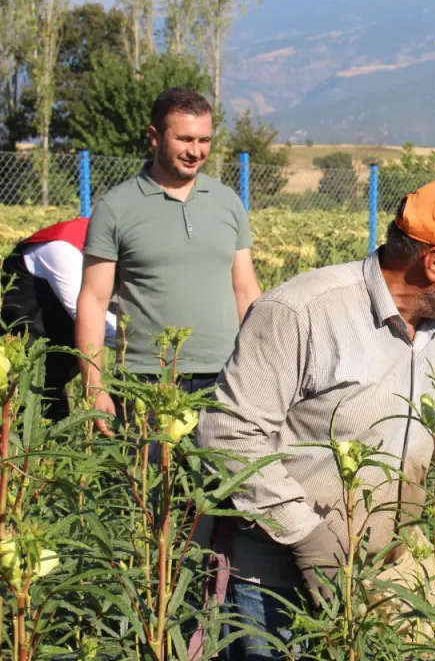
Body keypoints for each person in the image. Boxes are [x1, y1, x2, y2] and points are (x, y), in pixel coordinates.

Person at [194, 176, 435, 661]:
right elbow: (227, 433)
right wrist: (306, 533)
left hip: (384, 571)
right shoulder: (303, 311)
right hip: (274, 581)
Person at [76, 87, 262, 436]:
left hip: (225, 378)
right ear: (154, 136)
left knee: (220, 488)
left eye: (204, 140)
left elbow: (245, 288)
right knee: (151, 488)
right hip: (147, 381)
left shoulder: (226, 203)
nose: (196, 151)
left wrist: (261, 363)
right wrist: (93, 384)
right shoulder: (116, 208)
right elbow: (93, 299)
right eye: (185, 139)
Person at [0, 217, 118, 420]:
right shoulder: (62, 247)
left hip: (55, 368)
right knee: (31, 406)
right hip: (26, 368)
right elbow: (93, 317)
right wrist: (152, 345)